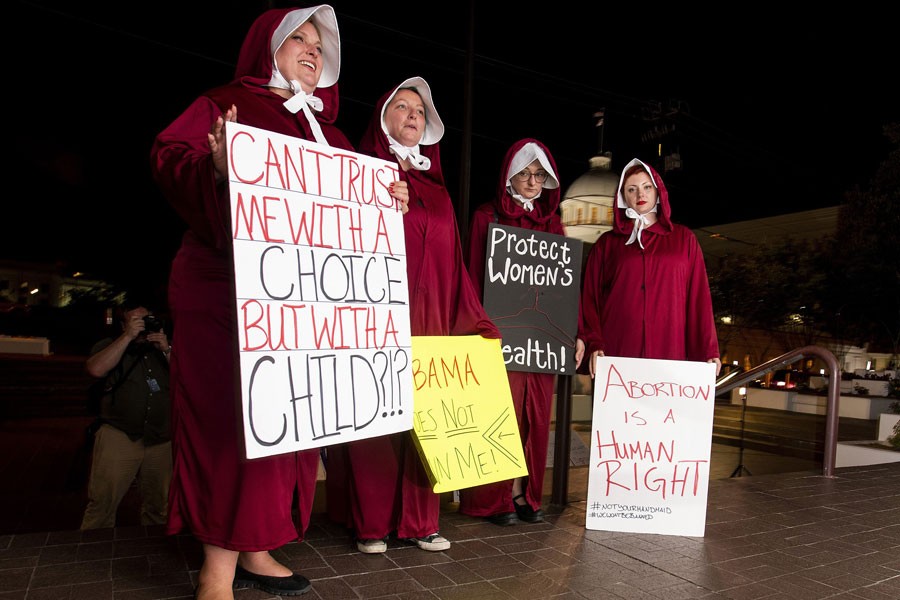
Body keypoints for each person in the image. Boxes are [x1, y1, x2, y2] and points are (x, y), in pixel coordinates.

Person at [150, 5, 353, 598]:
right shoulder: (224, 105)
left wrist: (385, 201)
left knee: (284, 428)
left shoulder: (332, 137)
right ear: (268, 47)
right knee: (231, 427)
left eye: (320, 46)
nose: (313, 51)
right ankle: (217, 572)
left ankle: (257, 548)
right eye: (299, 40)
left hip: (304, 307)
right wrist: (215, 168)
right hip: (225, 292)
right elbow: (168, 157)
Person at [340, 76, 500, 554]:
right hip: (378, 320)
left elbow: (453, 265)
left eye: (420, 111)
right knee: (377, 423)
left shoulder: (438, 188)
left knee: (429, 422)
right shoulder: (359, 170)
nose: (413, 115)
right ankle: (371, 524)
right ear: (382, 116)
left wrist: (476, 322)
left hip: (430, 325)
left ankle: (420, 522)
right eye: (403, 106)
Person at [459, 138, 564, 526]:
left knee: (534, 419)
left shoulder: (554, 223)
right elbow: (472, 272)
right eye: (525, 173)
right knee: (496, 415)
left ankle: (524, 492)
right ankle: (491, 499)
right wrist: (473, 328)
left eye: (539, 175)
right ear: (510, 176)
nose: (533, 182)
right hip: (498, 335)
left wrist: (572, 334)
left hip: (541, 337)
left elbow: (563, 285)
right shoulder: (487, 216)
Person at [575, 157, 721, 379]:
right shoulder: (608, 243)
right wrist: (594, 342)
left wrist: (708, 349)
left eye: (646, 187)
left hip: (670, 353)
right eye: (631, 189)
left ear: (658, 191)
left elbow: (699, 297)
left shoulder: (684, 239)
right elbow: (590, 299)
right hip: (617, 352)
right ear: (623, 197)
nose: (640, 195)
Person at [80, 302, 172, 530]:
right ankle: (93, 553)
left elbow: (191, 382)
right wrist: (128, 337)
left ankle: (151, 551)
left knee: (159, 505)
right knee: (103, 502)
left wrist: (167, 350)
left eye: (146, 320)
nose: (142, 327)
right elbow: (95, 369)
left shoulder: (162, 349)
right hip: (119, 434)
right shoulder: (110, 345)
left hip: (160, 438)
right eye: (135, 321)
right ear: (123, 324)